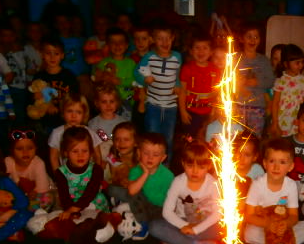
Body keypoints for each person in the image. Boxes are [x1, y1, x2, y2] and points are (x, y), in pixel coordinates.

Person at [244, 137, 304, 244]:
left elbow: (294, 216)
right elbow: (248, 216)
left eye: (282, 162)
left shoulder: (291, 185)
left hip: (283, 226)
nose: (276, 167)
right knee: (249, 233)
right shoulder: (257, 184)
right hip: (263, 224)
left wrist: (285, 224)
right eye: (272, 161)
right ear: (265, 163)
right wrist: (267, 224)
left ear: (290, 166)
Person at [148, 141, 221, 244]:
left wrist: (196, 229)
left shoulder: (213, 184)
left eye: (201, 167)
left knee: (225, 228)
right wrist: (186, 226)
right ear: (183, 163)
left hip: (205, 223)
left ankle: (176, 239)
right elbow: (167, 212)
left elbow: (218, 213)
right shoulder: (178, 181)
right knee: (154, 227)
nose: (195, 171)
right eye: (190, 166)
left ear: (209, 166)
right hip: (182, 221)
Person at [109, 132, 174, 240]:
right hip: (140, 202)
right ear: (139, 153)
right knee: (114, 189)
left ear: (163, 158)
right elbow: (132, 191)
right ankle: (140, 220)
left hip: (158, 208)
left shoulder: (168, 175)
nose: (150, 158)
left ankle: (143, 222)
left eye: (156, 155)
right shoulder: (136, 170)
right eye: (146, 153)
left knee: (160, 220)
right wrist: (145, 174)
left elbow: (169, 201)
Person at [134, 22, 182, 163]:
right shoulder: (149, 57)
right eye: (160, 38)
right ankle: (149, 165)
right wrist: (145, 79)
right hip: (153, 104)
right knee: (152, 137)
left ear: (172, 38)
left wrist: (177, 85)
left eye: (167, 38)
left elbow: (178, 75)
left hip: (171, 106)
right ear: (153, 40)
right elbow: (136, 73)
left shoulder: (177, 57)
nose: (164, 42)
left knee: (168, 139)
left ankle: (165, 167)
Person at [54, 126, 109, 221]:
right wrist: (71, 211)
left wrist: (75, 209)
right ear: (66, 153)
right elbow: (64, 197)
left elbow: (91, 192)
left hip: (94, 204)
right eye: (75, 151)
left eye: (84, 151)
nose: (80, 155)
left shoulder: (96, 169)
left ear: (91, 152)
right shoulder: (61, 173)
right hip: (72, 206)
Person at [178, 32, 221, 140]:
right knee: (189, 140)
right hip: (191, 112)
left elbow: (216, 93)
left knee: (206, 139)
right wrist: (182, 111)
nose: (201, 51)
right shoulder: (187, 68)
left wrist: (214, 112)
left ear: (211, 52)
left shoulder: (215, 70)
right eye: (197, 48)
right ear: (191, 51)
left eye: (205, 48)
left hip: (208, 112)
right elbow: (182, 91)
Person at [235, 22, 274, 137]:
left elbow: (271, 81)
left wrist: (257, 82)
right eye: (249, 36)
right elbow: (229, 79)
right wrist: (239, 83)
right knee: (237, 136)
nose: (253, 40)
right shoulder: (235, 58)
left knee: (255, 137)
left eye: (256, 37)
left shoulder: (264, 60)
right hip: (239, 106)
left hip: (257, 107)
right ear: (241, 39)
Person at [33, 37, 79, 131]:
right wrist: (36, 96)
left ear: (62, 55)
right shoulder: (39, 77)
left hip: (65, 121)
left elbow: (75, 98)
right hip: (46, 121)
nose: (52, 57)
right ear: (42, 54)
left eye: (56, 54)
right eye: (48, 53)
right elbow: (33, 97)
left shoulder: (69, 76)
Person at [48, 93, 103, 171]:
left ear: (84, 114)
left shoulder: (90, 132)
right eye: (70, 111)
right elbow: (53, 157)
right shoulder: (57, 133)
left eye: (78, 112)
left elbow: (97, 156)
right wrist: (58, 175)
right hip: (67, 174)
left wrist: (96, 173)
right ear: (63, 111)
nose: (74, 116)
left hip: (88, 173)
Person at [5, 129, 55, 211]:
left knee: (47, 199)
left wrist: (34, 192)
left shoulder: (38, 163)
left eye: (30, 148)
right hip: (19, 193)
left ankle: (31, 212)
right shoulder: (8, 161)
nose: (25, 152)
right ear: (12, 150)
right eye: (19, 149)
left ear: (36, 149)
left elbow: (43, 188)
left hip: (42, 190)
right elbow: (3, 182)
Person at [271, 44, 304, 138]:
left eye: (302, 62)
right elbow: (275, 102)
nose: (301, 65)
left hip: (299, 119)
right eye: (297, 63)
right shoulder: (280, 81)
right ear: (286, 64)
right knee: (283, 142)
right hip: (283, 119)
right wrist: (275, 122)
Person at [93, 27, 136, 117]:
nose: (117, 45)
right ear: (108, 45)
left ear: (126, 45)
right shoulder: (103, 63)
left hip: (125, 101)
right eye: (113, 42)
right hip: (107, 102)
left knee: (124, 123)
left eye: (121, 42)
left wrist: (119, 81)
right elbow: (95, 78)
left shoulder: (131, 63)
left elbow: (134, 81)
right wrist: (100, 77)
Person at [0, 21, 27, 126]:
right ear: (0, 37)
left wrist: (15, 52)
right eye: (5, 36)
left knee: (19, 112)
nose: (8, 39)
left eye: (11, 36)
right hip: (6, 87)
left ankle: (19, 132)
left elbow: (23, 66)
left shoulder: (19, 50)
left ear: (15, 36)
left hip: (20, 87)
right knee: (7, 113)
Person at [103, 121, 136, 187]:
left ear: (136, 142)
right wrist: (121, 182)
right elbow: (114, 178)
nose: (121, 143)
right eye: (117, 139)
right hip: (121, 187)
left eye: (126, 139)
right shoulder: (113, 157)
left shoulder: (141, 155)